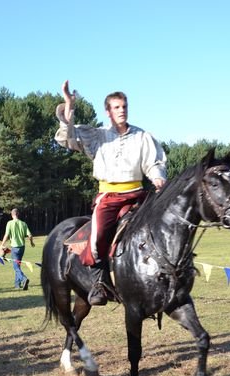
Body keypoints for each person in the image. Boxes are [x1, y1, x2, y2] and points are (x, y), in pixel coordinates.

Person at [54, 80, 167, 305]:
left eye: (124, 106)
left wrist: (157, 176)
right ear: (108, 111)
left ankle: (166, 272)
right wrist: (69, 105)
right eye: (116, 107)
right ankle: (99, 282)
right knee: (98, 237)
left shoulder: (142, 136)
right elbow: (68, 137)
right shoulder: (97, 136)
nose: (121, 110)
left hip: (138, 194)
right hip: (109, 197)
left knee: (163, 225)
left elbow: (154, 162)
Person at [0, 208, 35, 290]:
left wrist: (2, 245)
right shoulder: (23, 223)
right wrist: (31, 242)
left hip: (15, 248)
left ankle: (24, 279)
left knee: (16, 267)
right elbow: (30, 235)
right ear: (18, 214)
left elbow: (6, 235)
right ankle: (17, 284)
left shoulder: (9, 223)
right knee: (18, 265)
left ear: (12, 215)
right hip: (22, 247)